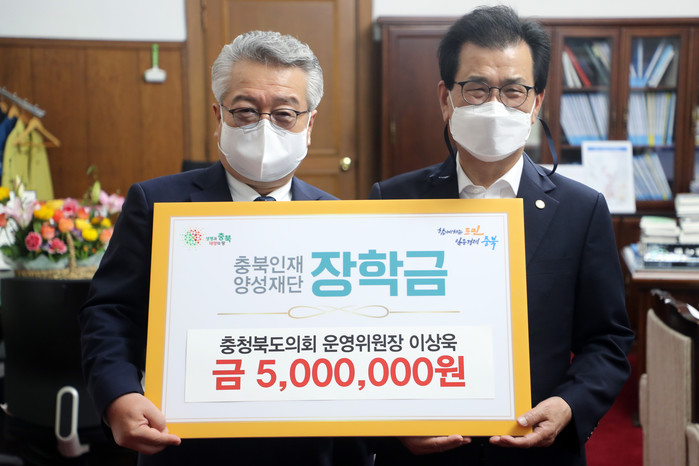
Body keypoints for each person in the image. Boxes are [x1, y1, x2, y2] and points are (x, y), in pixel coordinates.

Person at [79, 30, 371, 466]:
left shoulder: (342, 220)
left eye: (285, 114)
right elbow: (110, 311)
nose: (265, 127)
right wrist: (118, 395)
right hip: (187, 446)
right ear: (218, 116)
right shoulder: (157, 204)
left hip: (312, 449)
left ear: (309, 124)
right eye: (246, 111)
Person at [368, 6, 634, 466]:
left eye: (513, 90)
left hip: (537, 451)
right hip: (422, 454)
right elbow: (364, 332)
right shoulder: (391, 200)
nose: (495, 105)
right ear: (446, 98)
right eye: (477, 88)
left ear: (536, 103)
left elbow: (607, 340)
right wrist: (392, 424)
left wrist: (568, 405)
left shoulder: (581, 210)